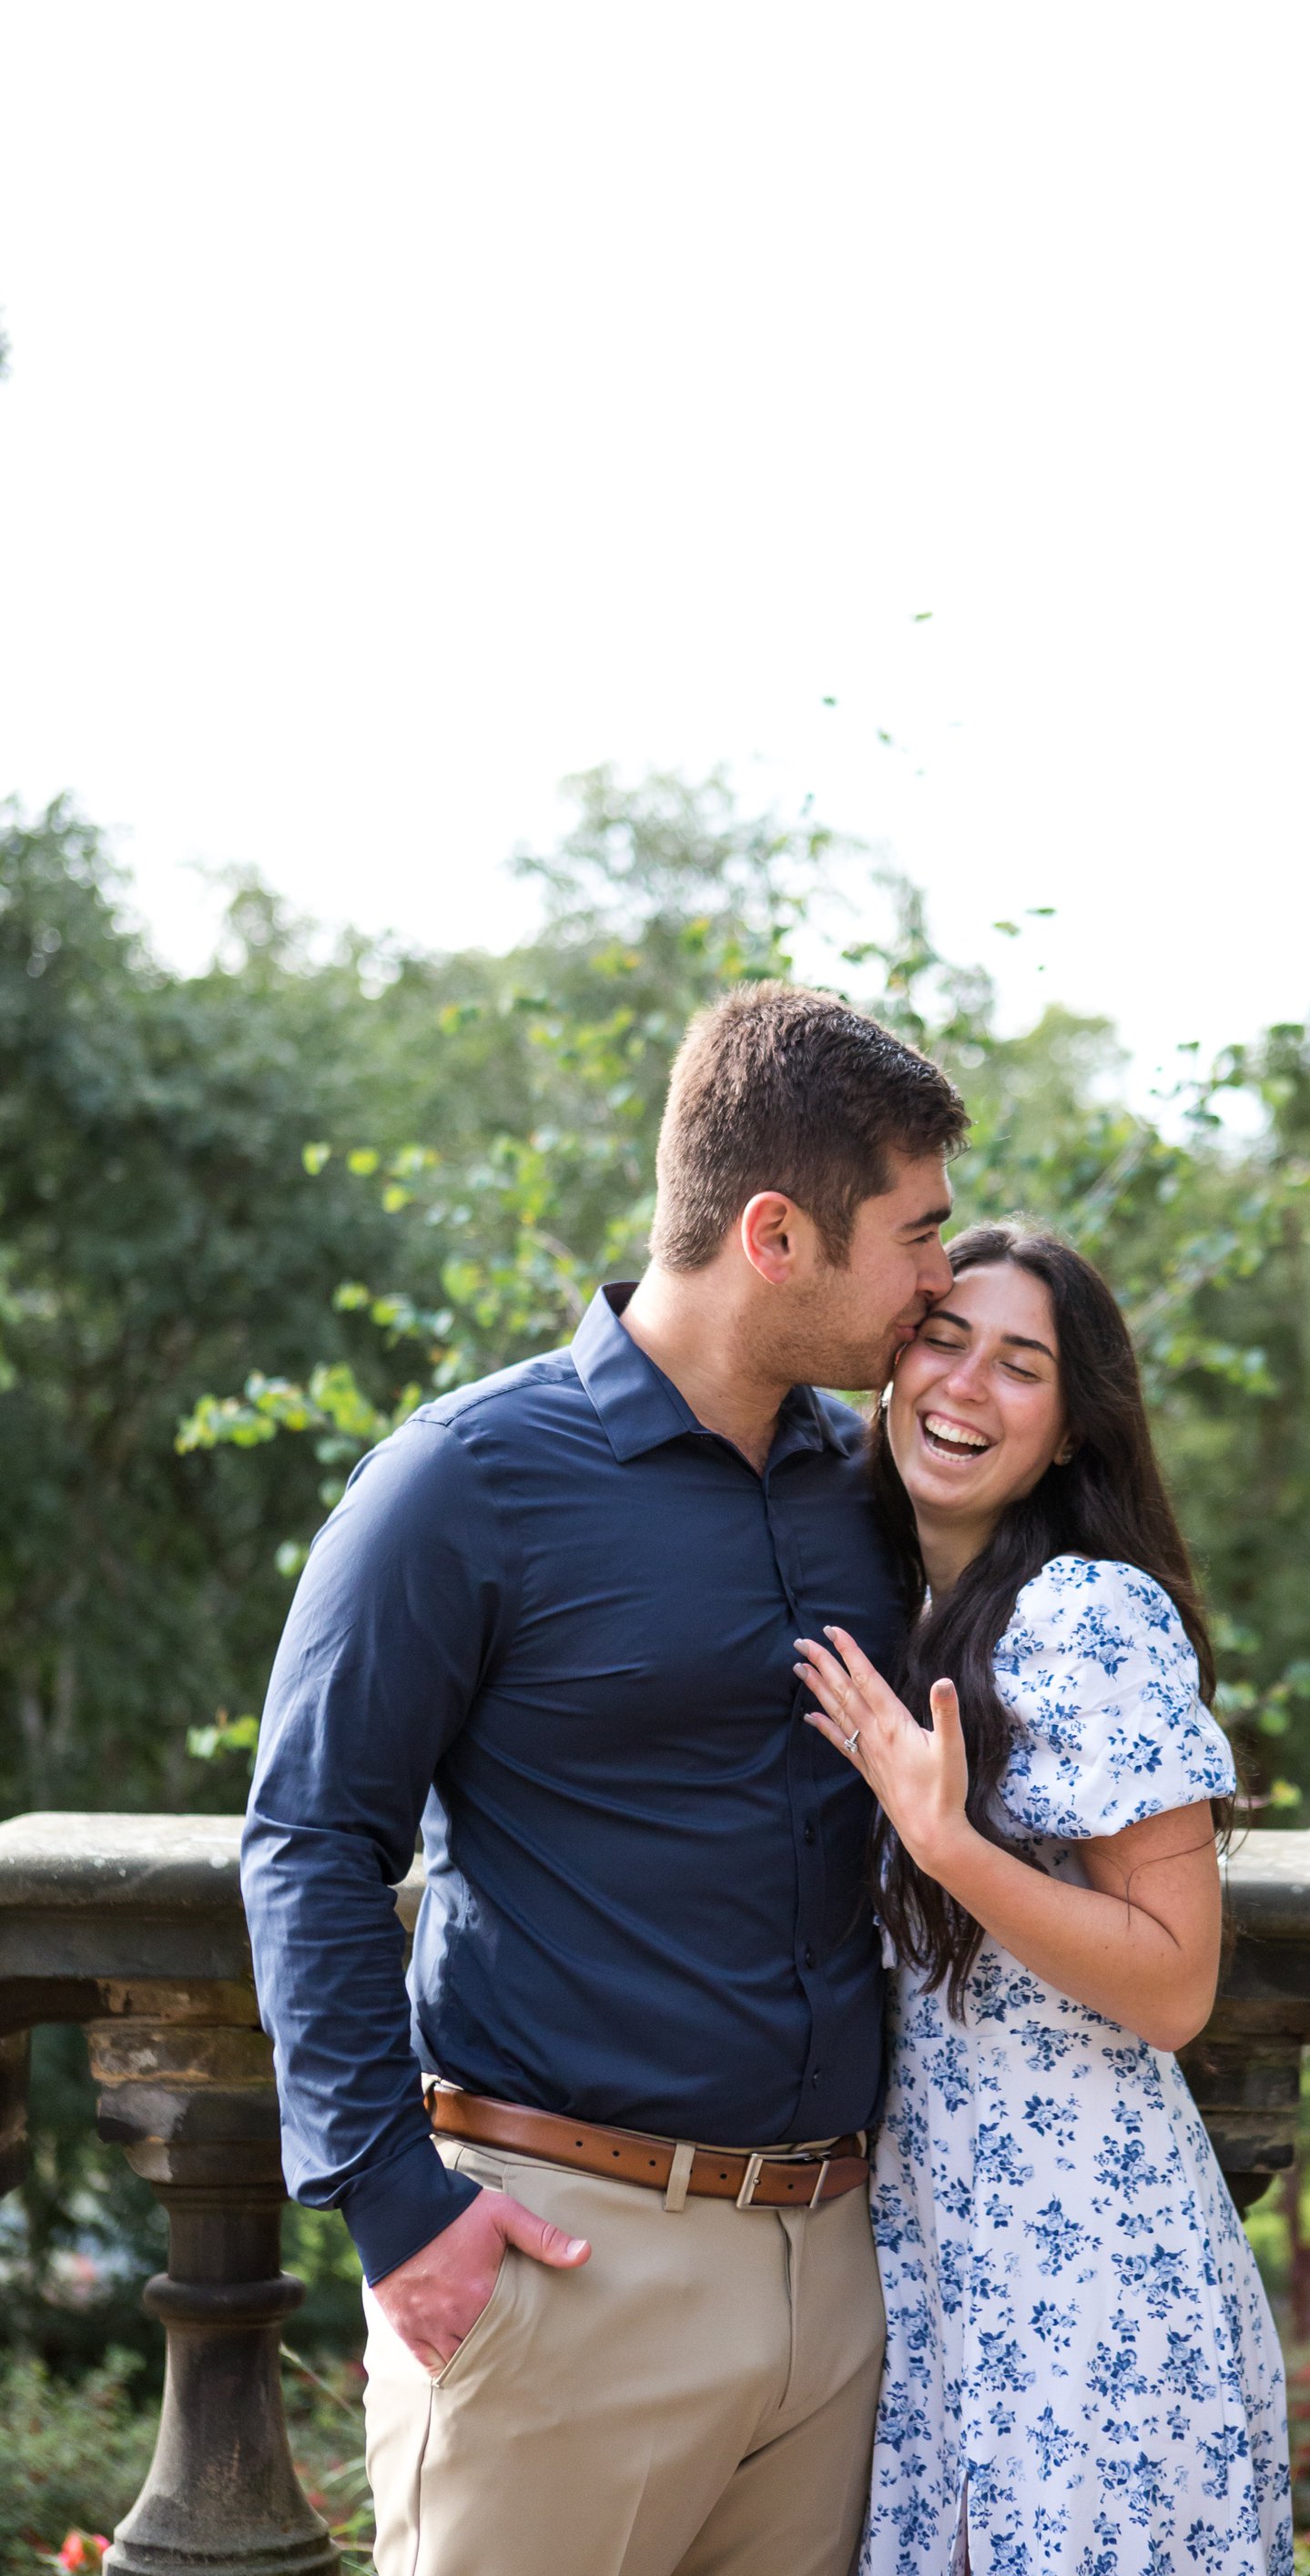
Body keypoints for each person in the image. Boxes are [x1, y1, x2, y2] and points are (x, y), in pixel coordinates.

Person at [240, 983, 968, 2576]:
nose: (942, 1276)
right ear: (776, 1236)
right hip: (564, 2270)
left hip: (839, 2281)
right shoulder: (461, 1481)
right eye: (917, 1234)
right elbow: (308, 1839)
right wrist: (394, 2210)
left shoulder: (872, 1488)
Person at [793, 1223, 1293, 2576]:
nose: (965, 1385)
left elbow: (1176, 1984)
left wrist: (947, 1844)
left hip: (1089, 2270)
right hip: (942, 2253)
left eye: (1021, 1366)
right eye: (943, 1340)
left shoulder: (1086, 1615)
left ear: (1073, 1432)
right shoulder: (903, 1609)